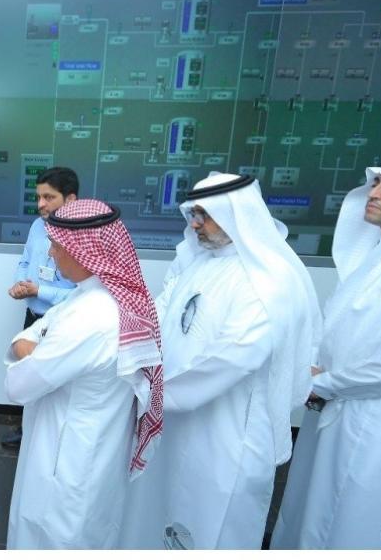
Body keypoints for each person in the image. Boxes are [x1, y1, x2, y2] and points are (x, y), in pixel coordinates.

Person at [120, 172, 320, 550]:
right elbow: (160, 317)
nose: (194, 223)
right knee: (160, 515)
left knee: (212, 527)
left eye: (204, 215)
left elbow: (232, 358)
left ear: (236, 215)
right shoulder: (199, 263)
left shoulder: (268, 280)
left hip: (228, 435)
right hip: (175, 420)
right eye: (193, 214)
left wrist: (152, 392)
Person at [271, 158, 381, 549]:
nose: (375, 193)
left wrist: (321, 383)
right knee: (310, 515)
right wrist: (315, 375)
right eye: (375, 183)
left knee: (352, 527)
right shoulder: (379, 255)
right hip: (335, 409)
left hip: (379, 424)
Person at [5, 198, 163, 549]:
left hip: (68, 457)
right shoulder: (92, 297)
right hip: (90, 444)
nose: (51, 254)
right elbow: (35, 335)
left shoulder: (93, 317)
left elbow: (19, 384)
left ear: (84, 251)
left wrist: (27, 346)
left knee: (53, 538)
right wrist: (32, 344)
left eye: (57, 246)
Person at [2, 166, 78, 449]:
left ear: (70, 199)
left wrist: (40, 291)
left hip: (61, 322)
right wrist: (20, 284)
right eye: (38, 197)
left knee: (54, 384)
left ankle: (47, 438)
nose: (40, 204)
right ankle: (27, 430)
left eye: (49, 197)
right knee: (29, 376)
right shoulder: (37, 226)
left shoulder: (81, 237)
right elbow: (25, 260)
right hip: (33, 316)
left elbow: (82, 294)